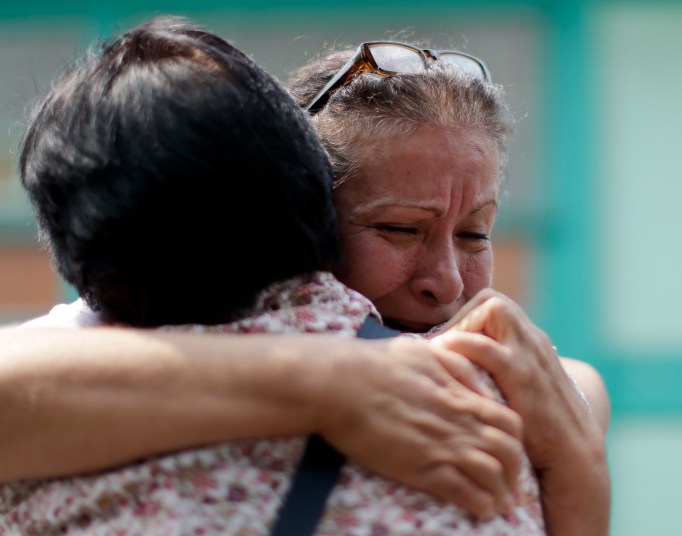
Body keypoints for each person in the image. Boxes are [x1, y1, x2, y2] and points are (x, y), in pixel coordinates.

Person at [0, 26, 610, 534]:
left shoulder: (514, 383)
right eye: (398, 229)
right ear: (304, 209)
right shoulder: (73, 361)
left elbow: (582, 391)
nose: (448, 283)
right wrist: (335, 379)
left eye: (477, 233)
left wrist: (572, 447)